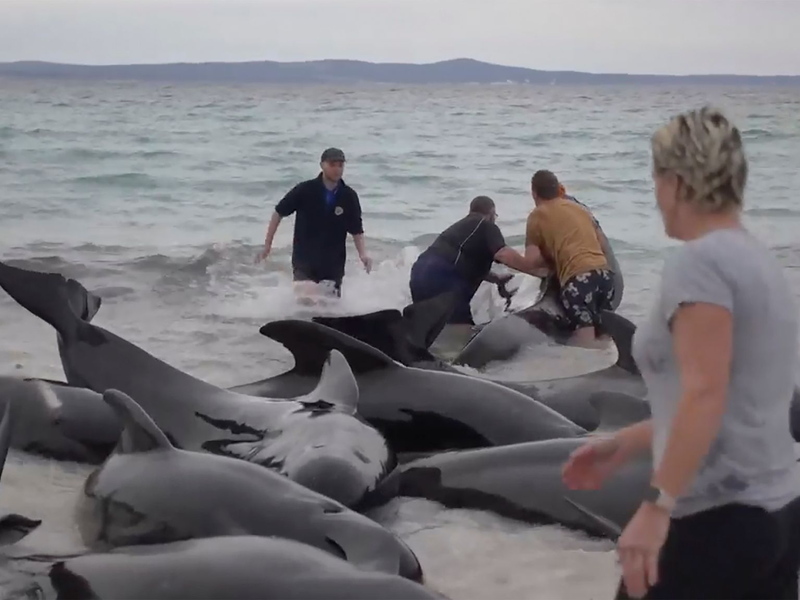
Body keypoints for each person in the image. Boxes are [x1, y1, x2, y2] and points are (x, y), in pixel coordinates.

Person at [562, 106, 800, 599]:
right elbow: (743, 405)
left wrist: (655, 508)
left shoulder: (700, 261)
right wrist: (625, 441)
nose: (655, 195)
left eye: (655, 179)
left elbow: (705, 394)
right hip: (777, 519)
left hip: (713, 522)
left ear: (675, 180)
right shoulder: (760, 263)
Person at [409, 195, 545, 326]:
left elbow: (461, 262)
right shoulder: (486, 225)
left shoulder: (459, 228)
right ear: (491, 213)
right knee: (460, 332)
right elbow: (503, 254)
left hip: (418, 275)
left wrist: (497, 279)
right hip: (445, 281)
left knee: (429, 329)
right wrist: (536, 271)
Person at [255, 147, 372, 297]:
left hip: (333, 262)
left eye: (340, 165)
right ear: (322, 165)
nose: (337, 169)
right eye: (332, 164)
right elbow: (279, 213)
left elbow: (356, 229)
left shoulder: (349, 196)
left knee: (329, 309)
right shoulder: (305, 190)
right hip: (304, 258)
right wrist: (267, 246)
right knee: (305, 299)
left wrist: (363, 254)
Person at [524, 169, 615, 347]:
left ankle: (584, 372)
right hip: (605, 276)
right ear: (558, 189)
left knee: (584, 340)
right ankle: (609, 370)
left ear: (534, 193)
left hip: (578, 279)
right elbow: (602, 244)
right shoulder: (580, 209)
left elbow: (532, 261)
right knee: (602, 335)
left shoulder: (537, 215)